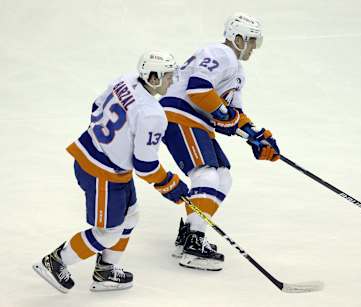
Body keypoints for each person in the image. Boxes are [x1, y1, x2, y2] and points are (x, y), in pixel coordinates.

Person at [33, 51, 189, 293]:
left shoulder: (125, 80)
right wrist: (170, 184)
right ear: (154, 77)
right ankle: (55, 261)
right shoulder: (152, 114)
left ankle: (106, 271)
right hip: (102, 172)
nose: (173, 80)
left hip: (102, 161)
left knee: (130, 216)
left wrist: (110, 143)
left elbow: (96, 105)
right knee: (108, 232)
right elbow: (146, 166)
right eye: (168, 76)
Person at [160, 12, 280, 271]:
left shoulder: (237, 71)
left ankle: (189, 234)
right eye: (250, 41)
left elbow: (232, 113)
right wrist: (224, 116)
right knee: (207, 176)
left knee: (223, 177)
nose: (252, 48)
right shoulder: (218, 52)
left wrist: (257, 136)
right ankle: (194, 244)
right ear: (237, 38)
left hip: (197, 122)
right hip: (180, 114)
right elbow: (199, 88)